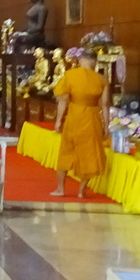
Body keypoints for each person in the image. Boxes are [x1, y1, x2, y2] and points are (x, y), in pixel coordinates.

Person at [52, 49, 109, 197]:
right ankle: (81, 190)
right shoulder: (102, 79)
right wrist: (106, 126)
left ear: (81, 60)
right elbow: (105, 105)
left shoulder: (71, 75)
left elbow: (63, 100)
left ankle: (60, 189)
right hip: (92, 118)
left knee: (66, 152)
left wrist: (58, 121)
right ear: (94, 62)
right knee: (90, 153)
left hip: (74, 116)